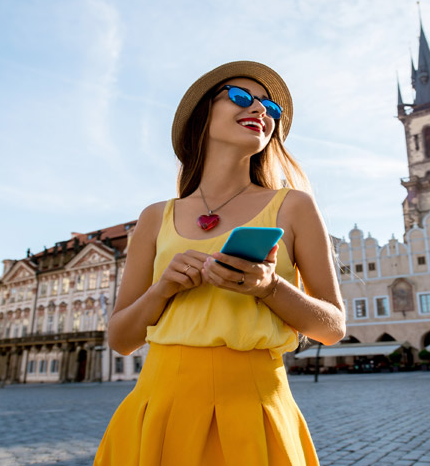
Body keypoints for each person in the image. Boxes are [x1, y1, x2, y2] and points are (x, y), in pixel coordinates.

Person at [93, 61, 345, 466]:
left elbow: (332, 327)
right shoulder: (154, 217)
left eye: (270, 108)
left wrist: (268, 288)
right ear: (202, 114)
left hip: (255, 409)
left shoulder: (294, 206)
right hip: (159, 405)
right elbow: (122, 339)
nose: (260, 110)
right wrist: (163, 290)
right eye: (242, 97)